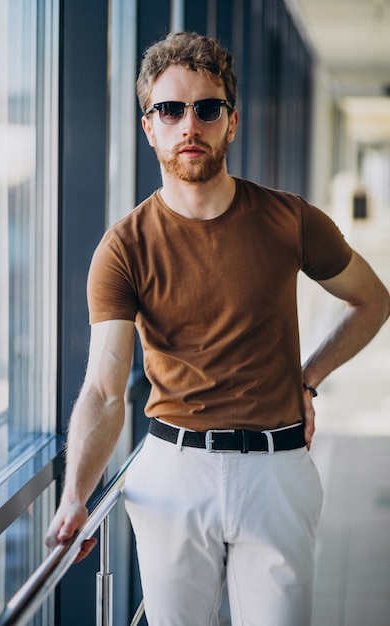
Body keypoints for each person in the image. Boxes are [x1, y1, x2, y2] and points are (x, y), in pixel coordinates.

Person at [46, 31, 390, 625]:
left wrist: (307, 380)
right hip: (174, 473)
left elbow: (372, 301)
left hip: (276, 468)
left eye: (207, 109)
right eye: (170, 110)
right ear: (148, 126)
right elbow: (104, 389)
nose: (190, 126)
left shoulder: (292, 220)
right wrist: (76, 493)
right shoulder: (123, 248)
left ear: (231, 122)